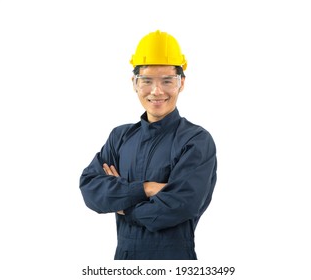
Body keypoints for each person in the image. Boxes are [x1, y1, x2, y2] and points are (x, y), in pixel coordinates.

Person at [79, 30, 217, 260]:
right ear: (134, 83)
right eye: (147, 81)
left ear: (181, 83)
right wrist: (147, 189)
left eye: (167, 81)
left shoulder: (196, 140)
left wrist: (122, 203)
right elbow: (91, 190)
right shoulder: (120, 137)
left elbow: (181, 204)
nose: (156, 91)